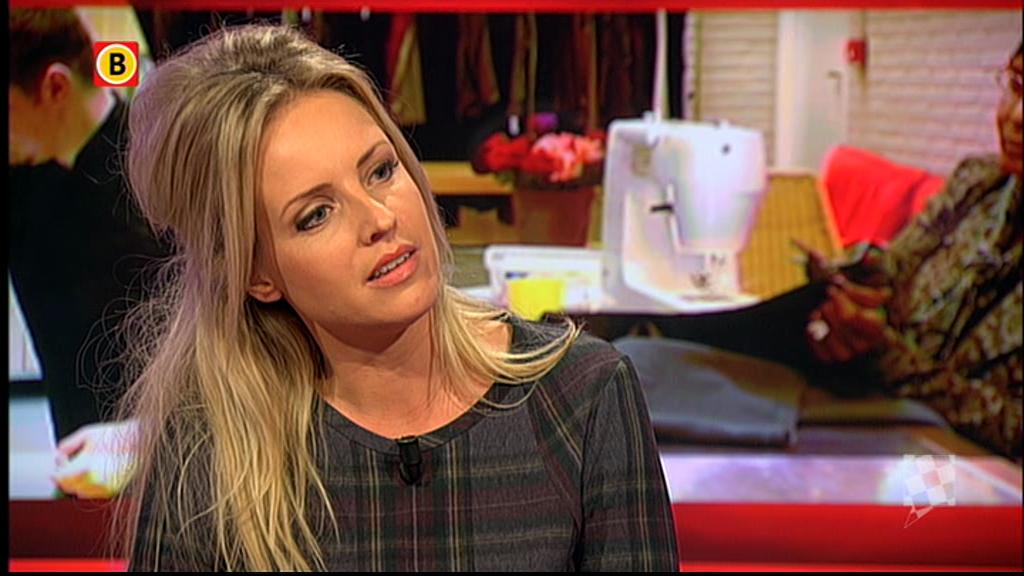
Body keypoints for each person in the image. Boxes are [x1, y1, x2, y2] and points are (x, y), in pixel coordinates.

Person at [113, 24, 677, 571]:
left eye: (381, 171)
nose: (380, 218)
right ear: (256, 275)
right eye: (316, 214)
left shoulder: (582, 397)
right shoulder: (207, 452)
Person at [584, 41, 1023, 462]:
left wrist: (886, 357)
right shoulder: (978, 184)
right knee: (636, 361)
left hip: (943, 452)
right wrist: (847, 285)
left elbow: (1012, 430)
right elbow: (892, 269)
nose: (1018, 117)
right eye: (1017, 86)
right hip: (864, 397)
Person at [8, 8, 171, 497]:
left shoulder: (163, 176)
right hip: (75, 473)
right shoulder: (23, 173)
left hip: (173, 476)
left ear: (55, 87)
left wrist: (145, 439)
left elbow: (238, 352)